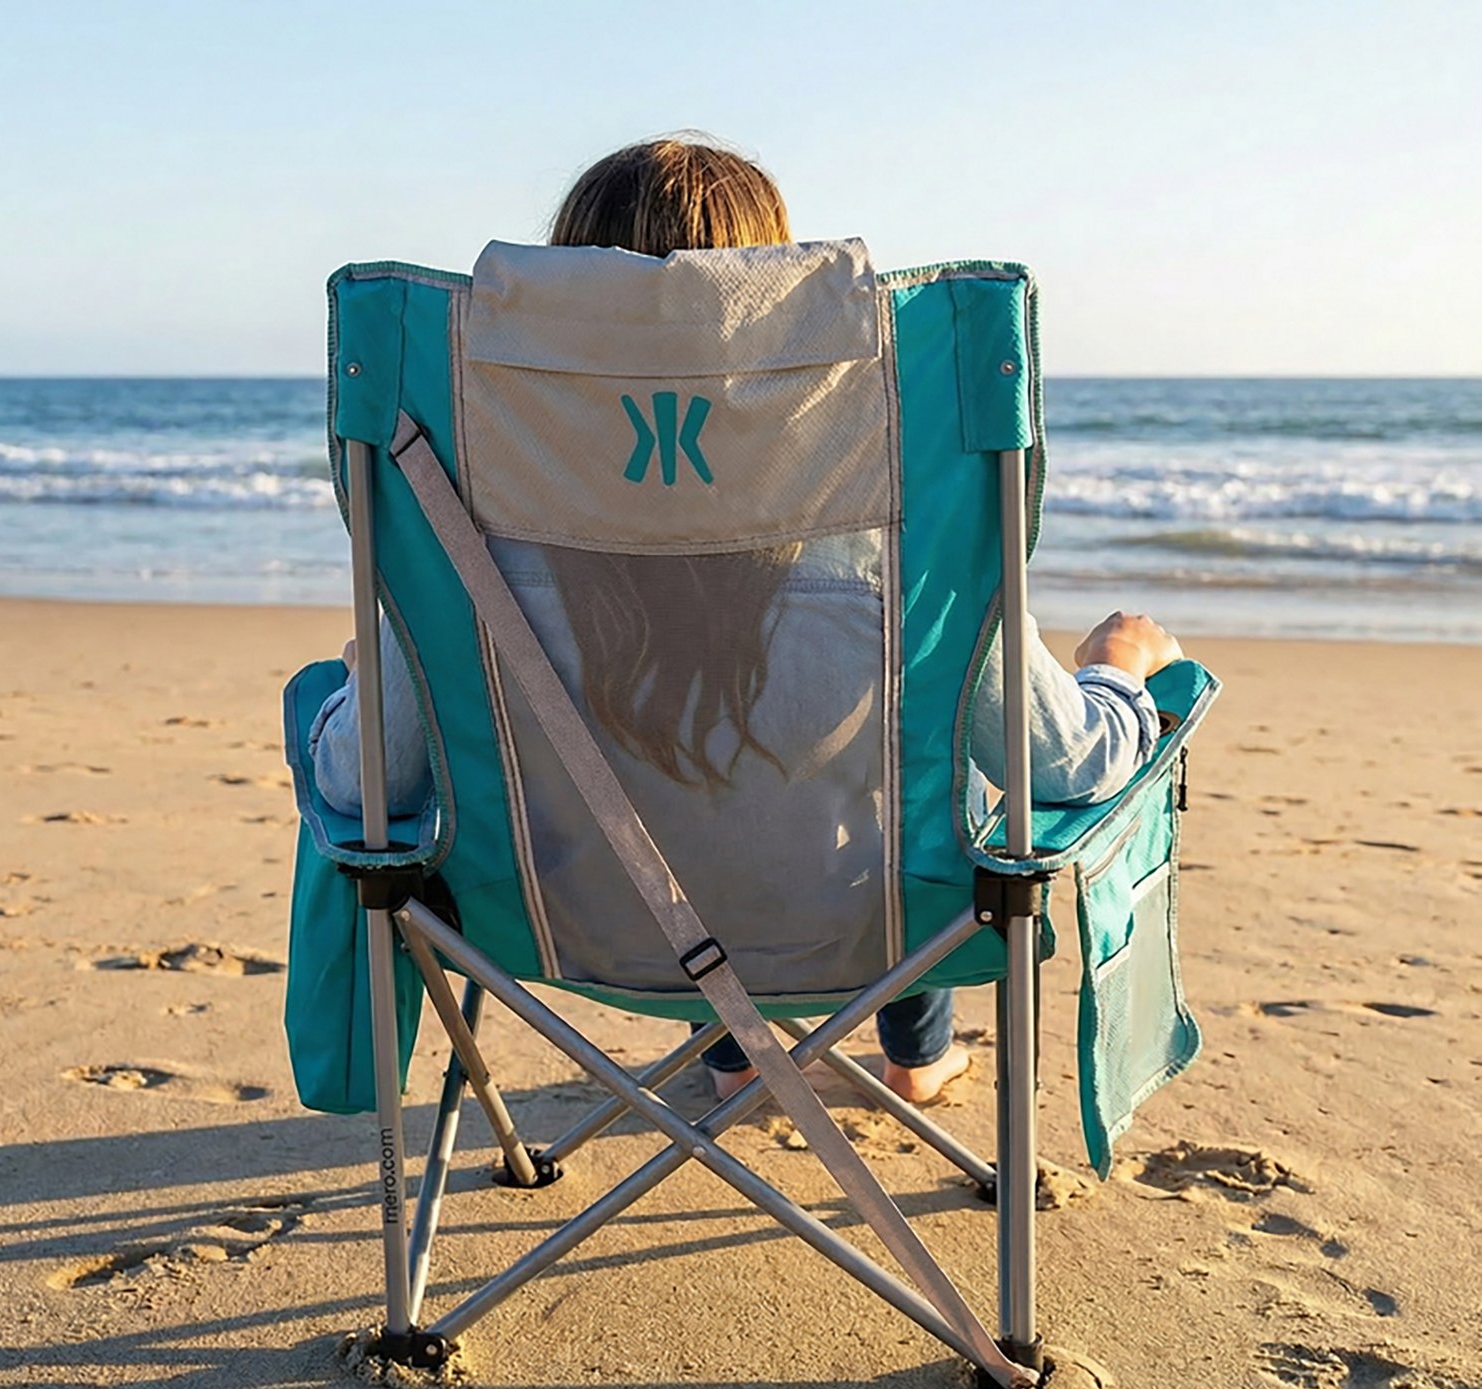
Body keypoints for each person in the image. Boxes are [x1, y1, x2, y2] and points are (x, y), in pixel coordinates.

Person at [311, 137, 1182, 1107]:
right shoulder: (879, 557)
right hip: (877, 932)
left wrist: (369, 675)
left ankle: (731, 1054)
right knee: (924, 752)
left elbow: (360, 782)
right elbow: (1064, 768)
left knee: (666, 762)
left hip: (570, 929)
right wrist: (1118, 674)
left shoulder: (471, 559)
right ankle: (916, 1055)